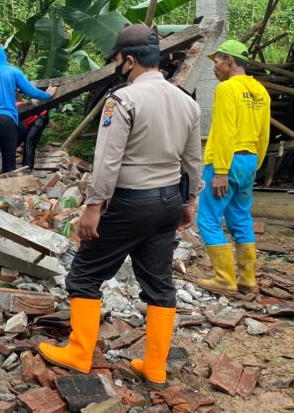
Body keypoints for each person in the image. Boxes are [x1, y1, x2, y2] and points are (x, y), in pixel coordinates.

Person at [38, 24, 202, 388]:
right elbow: (193, 160)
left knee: (84, 274)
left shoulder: (123, 101)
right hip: (168, 202)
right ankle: (155, 366)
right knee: (159, 285)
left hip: (130, 202)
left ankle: (79, 352)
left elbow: (108, 161)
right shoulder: (187, 102)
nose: (117, 65)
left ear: (128, 60)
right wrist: (190, 202)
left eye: (117, 60)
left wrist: (93, 207)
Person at [196, 40, 270, 295]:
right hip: (249, 161)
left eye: (216, 61)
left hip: (225, 161)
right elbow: (264, 135)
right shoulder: (260, 91)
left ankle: (224, 279)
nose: (214, 67)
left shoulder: (227, 89)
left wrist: (221, 172)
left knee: (207, 218)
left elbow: (226, 131)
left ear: (229, 60)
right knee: (240, 218)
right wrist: (254, 167)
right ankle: (248, 280)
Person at [0, 44, 56, 174]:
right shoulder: (13, 71)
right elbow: (31, 92)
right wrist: (48, 94)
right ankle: (7, 184)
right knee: (8, 155)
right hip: (8, 119)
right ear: (3, 58)